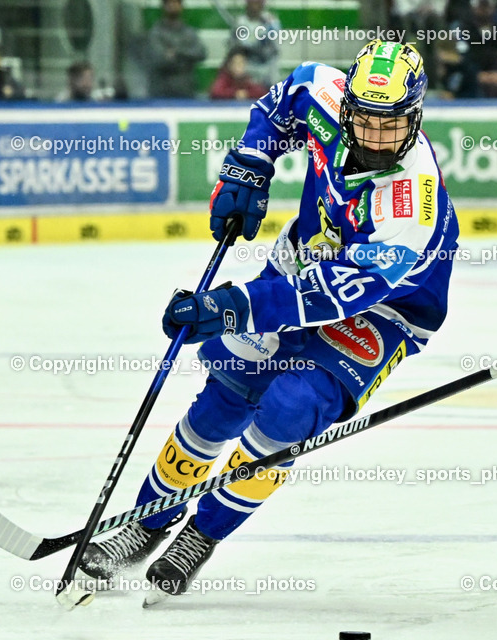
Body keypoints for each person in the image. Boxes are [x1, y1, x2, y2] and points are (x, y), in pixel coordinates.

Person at [79, 40, 459, 604]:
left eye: (392, 125)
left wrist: (234, 306)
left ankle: (200, 535)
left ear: (416, 117)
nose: (376, 138)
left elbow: (333, 296)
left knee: (291, 405)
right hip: (303, 257)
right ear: (349, 105)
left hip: (384, 309)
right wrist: (249, 167)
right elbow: (281, 104)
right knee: (228, 389)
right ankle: (146, 522)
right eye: (366, 121)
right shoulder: (325, 93)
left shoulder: (410, 205)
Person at [146, 0, 207, 98]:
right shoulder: (155, 32)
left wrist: (177, 52)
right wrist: (187, 58)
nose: (172, 6)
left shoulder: (189, 31)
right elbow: (159, 59)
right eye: (169, 3)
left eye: (176, 3)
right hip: (161, 92)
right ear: (164, 7)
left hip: (186, 91)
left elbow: (201, 53)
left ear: (181, 6)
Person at [225, 0, 281, 86]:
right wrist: (244, 46)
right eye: (252, 2)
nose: (255, 5)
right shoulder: (239, 22)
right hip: (245, 69)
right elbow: (233, 49)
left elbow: (275, 50)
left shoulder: (271, 22)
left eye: (258, 2)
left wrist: (259, 44)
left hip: (266, 67)